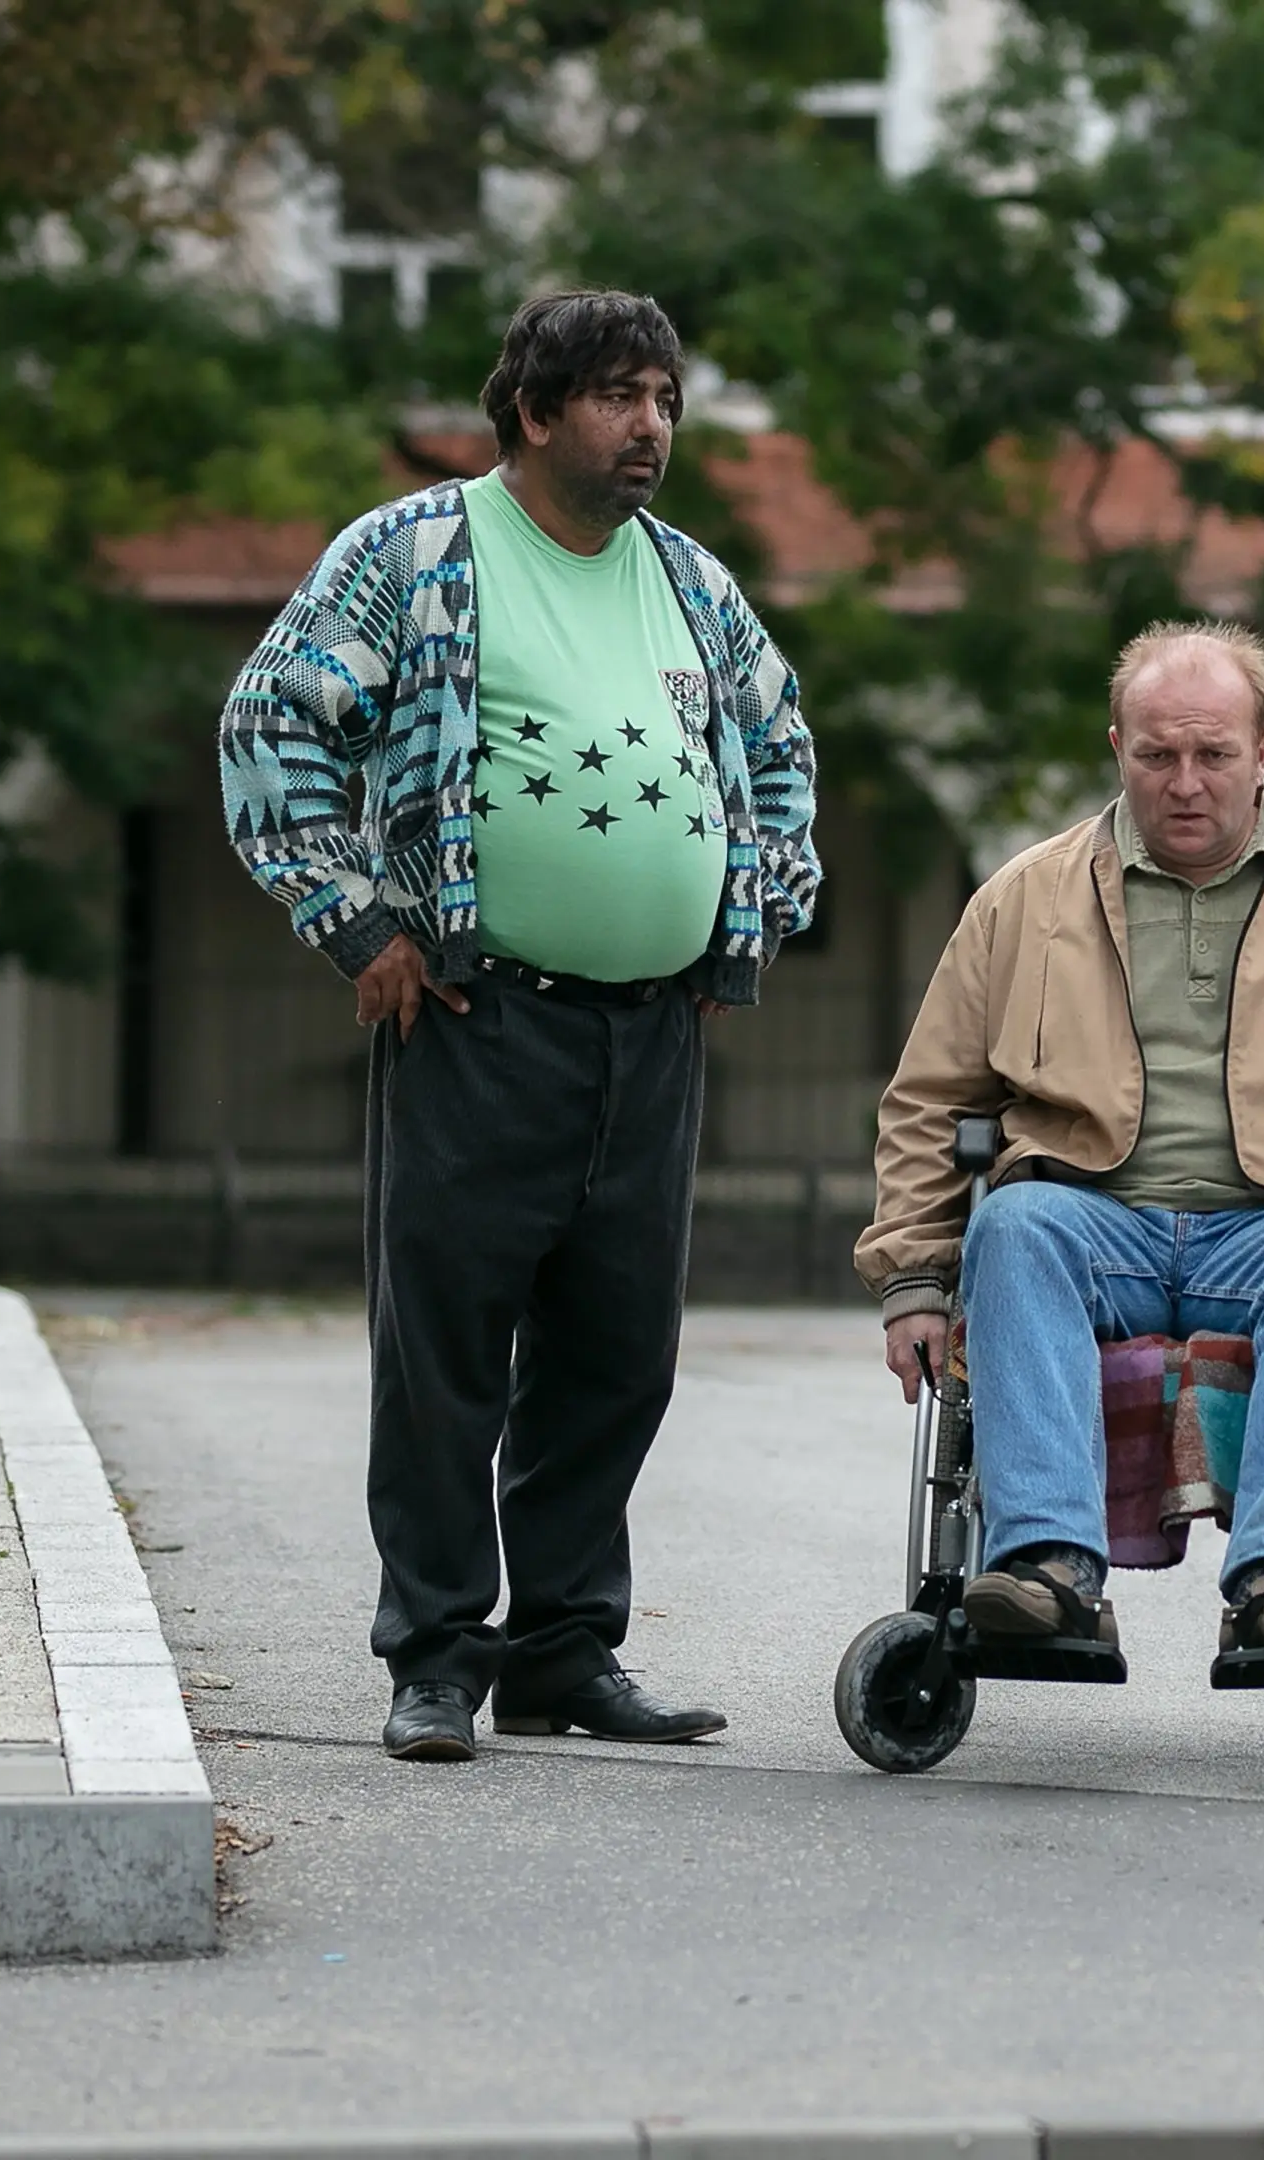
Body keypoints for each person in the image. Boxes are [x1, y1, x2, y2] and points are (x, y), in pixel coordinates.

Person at [218, 291, 819, 1763]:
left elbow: (781, 750)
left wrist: (745, 919)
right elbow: (270, 727)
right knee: (449, 1351)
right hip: (481, 1014)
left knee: (619, 1353)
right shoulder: (416, 553)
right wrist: (358, 921)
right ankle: (435, 1653)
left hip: (652, 1031)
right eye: (619, 397)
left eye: (666, 399)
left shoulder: (687, 579)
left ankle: (564, 1648)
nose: (651, 428)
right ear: (537, 413)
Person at [856, 623, 1264, 1651]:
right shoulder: (1023, 899)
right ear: (1117, 749)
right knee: (1015, 1226)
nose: (1186, 781)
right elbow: (929, 1098)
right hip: (1088, 1221)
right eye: (1157, 754)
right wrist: (914, 1282)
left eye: (1214, 753)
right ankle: (1046, 1565)